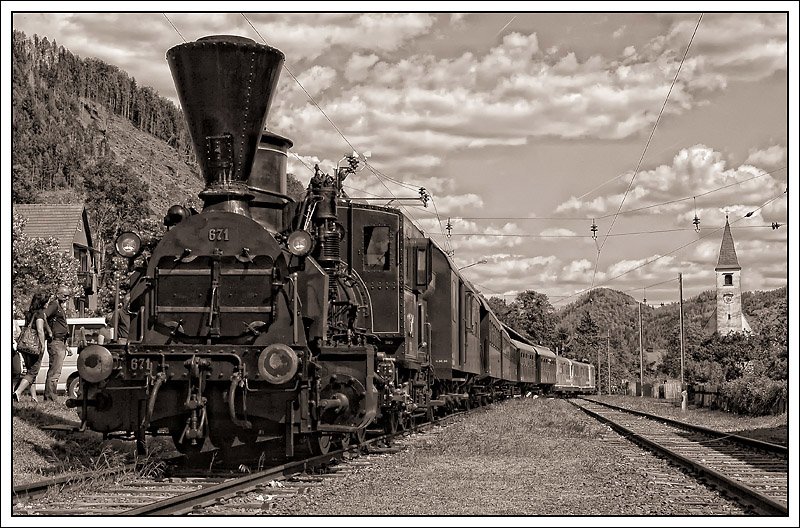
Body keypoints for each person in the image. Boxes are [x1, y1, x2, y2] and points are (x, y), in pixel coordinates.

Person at [13, 293, 50, 403]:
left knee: (30, 371)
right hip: (34, 346)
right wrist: (43, 345)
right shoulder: (39, 314)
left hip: (25, 346)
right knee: (33, 372)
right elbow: (39, 330)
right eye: (47, 301)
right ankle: (17, 392)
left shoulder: (29, 313)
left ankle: (34, 397)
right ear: (43, 302)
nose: (48, 303)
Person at [44, 286, 71, 401]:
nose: (66, 298)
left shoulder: (59, 307)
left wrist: (67, 346)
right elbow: (44, 316)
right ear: (58, 294)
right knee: (55, 372)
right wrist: (49, 331)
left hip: (61, 342)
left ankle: (50, 396)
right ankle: (51, 398)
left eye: (68, 296)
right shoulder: (54, 305)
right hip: (55, 342)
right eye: (65, 295)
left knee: (56, 371)